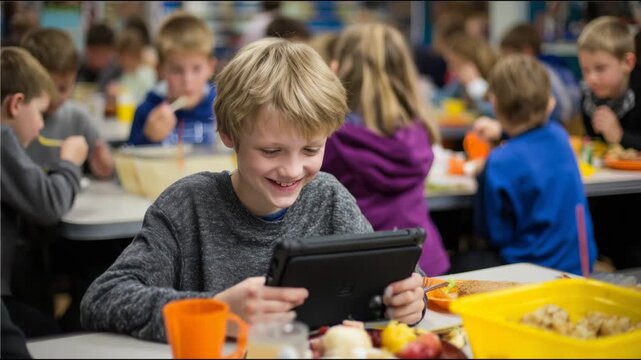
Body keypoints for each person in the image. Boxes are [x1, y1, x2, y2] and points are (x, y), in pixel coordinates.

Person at [80, 38, 427, 342]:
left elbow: (392, 277)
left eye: (310, 150)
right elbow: (102, 300)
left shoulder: (328, 197)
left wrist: (409, 299)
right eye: (271, 151)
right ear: (229, 134)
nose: (292, 170)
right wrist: (215, 312)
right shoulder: (187, 206)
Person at [321, 23, 450, 277]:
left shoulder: (330, 139)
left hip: (362, 267)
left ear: (340, 68)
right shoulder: (419, 130)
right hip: (425, 261)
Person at [474, 54, 597, 275]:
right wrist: (501, 133)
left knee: (462, 261)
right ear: (549, 103)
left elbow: (494, 233)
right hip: (579, 267)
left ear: (495, 103)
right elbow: (532, 138)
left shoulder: (500, 163)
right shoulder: (560, 136)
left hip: (530, 272)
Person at [1, 47, 88, 337]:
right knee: (46, 333)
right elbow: (49, 204)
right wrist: (70, 163)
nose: (40, 126)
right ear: (16, 104)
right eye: (39, 112)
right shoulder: (2, 139)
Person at [21, 28, 115, 179]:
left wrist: (105, 169)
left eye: (62, 88)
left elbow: (109, 170)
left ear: (74, 79)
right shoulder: (14, 122)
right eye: (45, 88)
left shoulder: (78, 118)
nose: (54, 97)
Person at [127, 11, 217, 146]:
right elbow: (130, 161)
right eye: (177, 70)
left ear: (211, 67)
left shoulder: (223, 109)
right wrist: (149, 137)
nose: (187, 80)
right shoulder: (146, 111)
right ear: (159, 70)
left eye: (196, 68)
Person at [577, 16, 641, 150]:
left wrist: (621, 137)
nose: (591, 79)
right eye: (585, 70)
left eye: (600, 69)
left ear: (628, 63)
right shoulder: (589, 96)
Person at [500, 23, 581, 125]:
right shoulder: (557, 66)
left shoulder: (537, 72)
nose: (505, 63)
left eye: (508, 56)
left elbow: (563, 111)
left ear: (526, 51)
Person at [435, 32, 497, 117]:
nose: (450, 69)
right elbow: (441, 98)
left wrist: (475, 85)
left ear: (475, 63)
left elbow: (493, 113)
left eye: (455, 64)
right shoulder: (459, 84)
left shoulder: (494, 83)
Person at [114, 28, 157, 105]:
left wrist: (120, 92)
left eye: (122, 55)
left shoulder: (147, 74)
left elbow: (144, 101)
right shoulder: (124, 73)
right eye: (121, 56)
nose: (125, 61)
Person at [76, 23, 121, 93]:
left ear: (112, 52)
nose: (97, 59)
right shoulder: (77, 69)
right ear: (86, 50)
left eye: (102, 54)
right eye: (94, 53)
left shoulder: (119, 73)